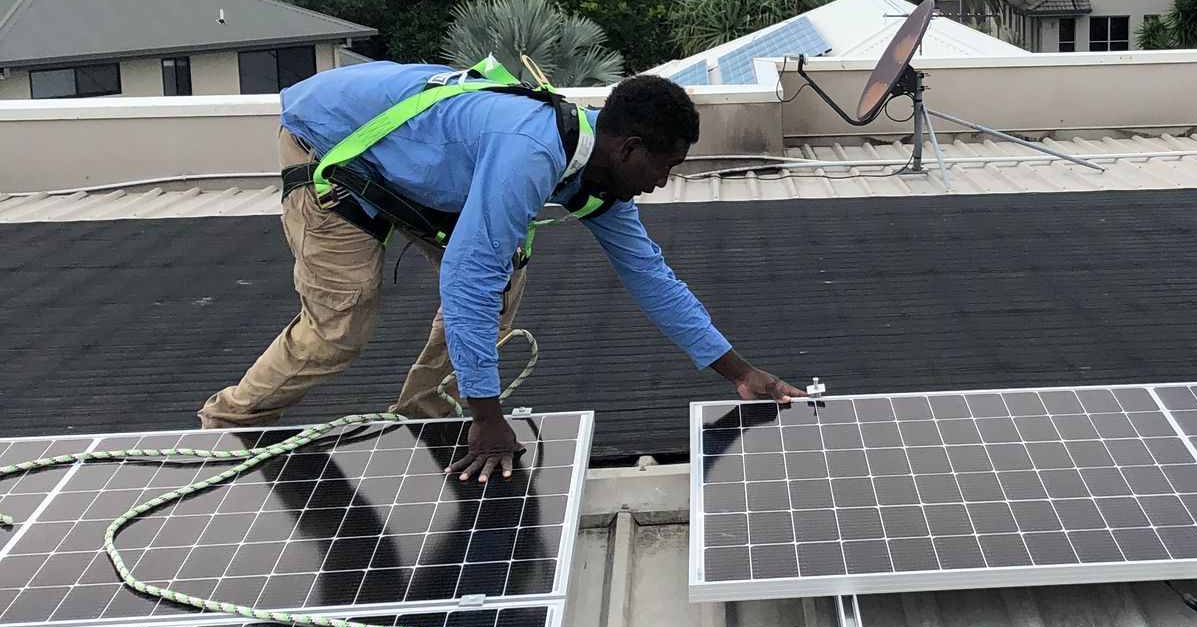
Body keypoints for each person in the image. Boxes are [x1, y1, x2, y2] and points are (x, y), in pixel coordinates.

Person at [201, 62, 795, 478]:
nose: (662, 183)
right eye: (664, 167)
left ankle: (425, 412)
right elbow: (467, 278)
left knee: (504, 273)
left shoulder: (598, 177)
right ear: (630, 149)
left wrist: (741, 374)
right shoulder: (532, 154)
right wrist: (489, 417)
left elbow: (652, 278)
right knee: (343, 319)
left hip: (409, 161)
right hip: (327, 141)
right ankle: (228, 423)